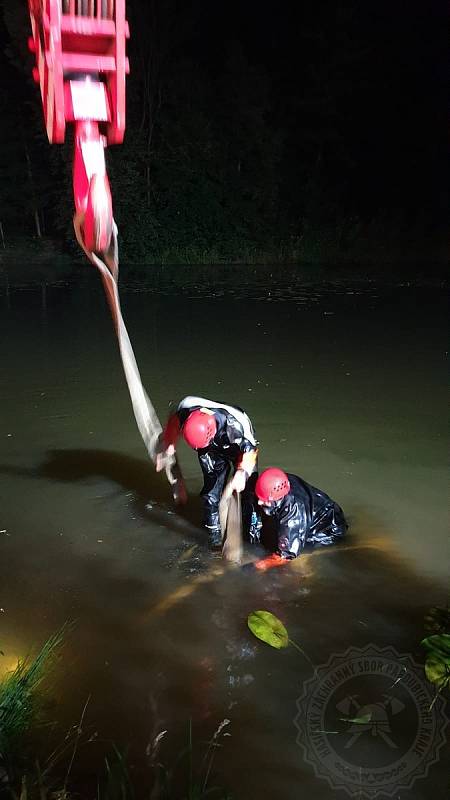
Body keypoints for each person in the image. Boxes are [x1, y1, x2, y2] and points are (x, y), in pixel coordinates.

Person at [156, 396, 259, 547]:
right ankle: (213, 540)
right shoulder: (186, 409)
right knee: (211, 495)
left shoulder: (236, 427)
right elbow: (174, 420)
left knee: (249, 494)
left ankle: (253, 538)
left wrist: (242, 472)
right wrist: (169, 443)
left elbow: (250, 451)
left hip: (235, 446)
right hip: (209, 447)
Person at [253, 467, 347, 564]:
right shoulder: (277, 481)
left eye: (264, 500)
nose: (259, 502)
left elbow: (286, 555)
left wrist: (258, 566)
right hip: (314, 510)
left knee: (293, 555)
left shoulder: (294, 514)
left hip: (327, 530)